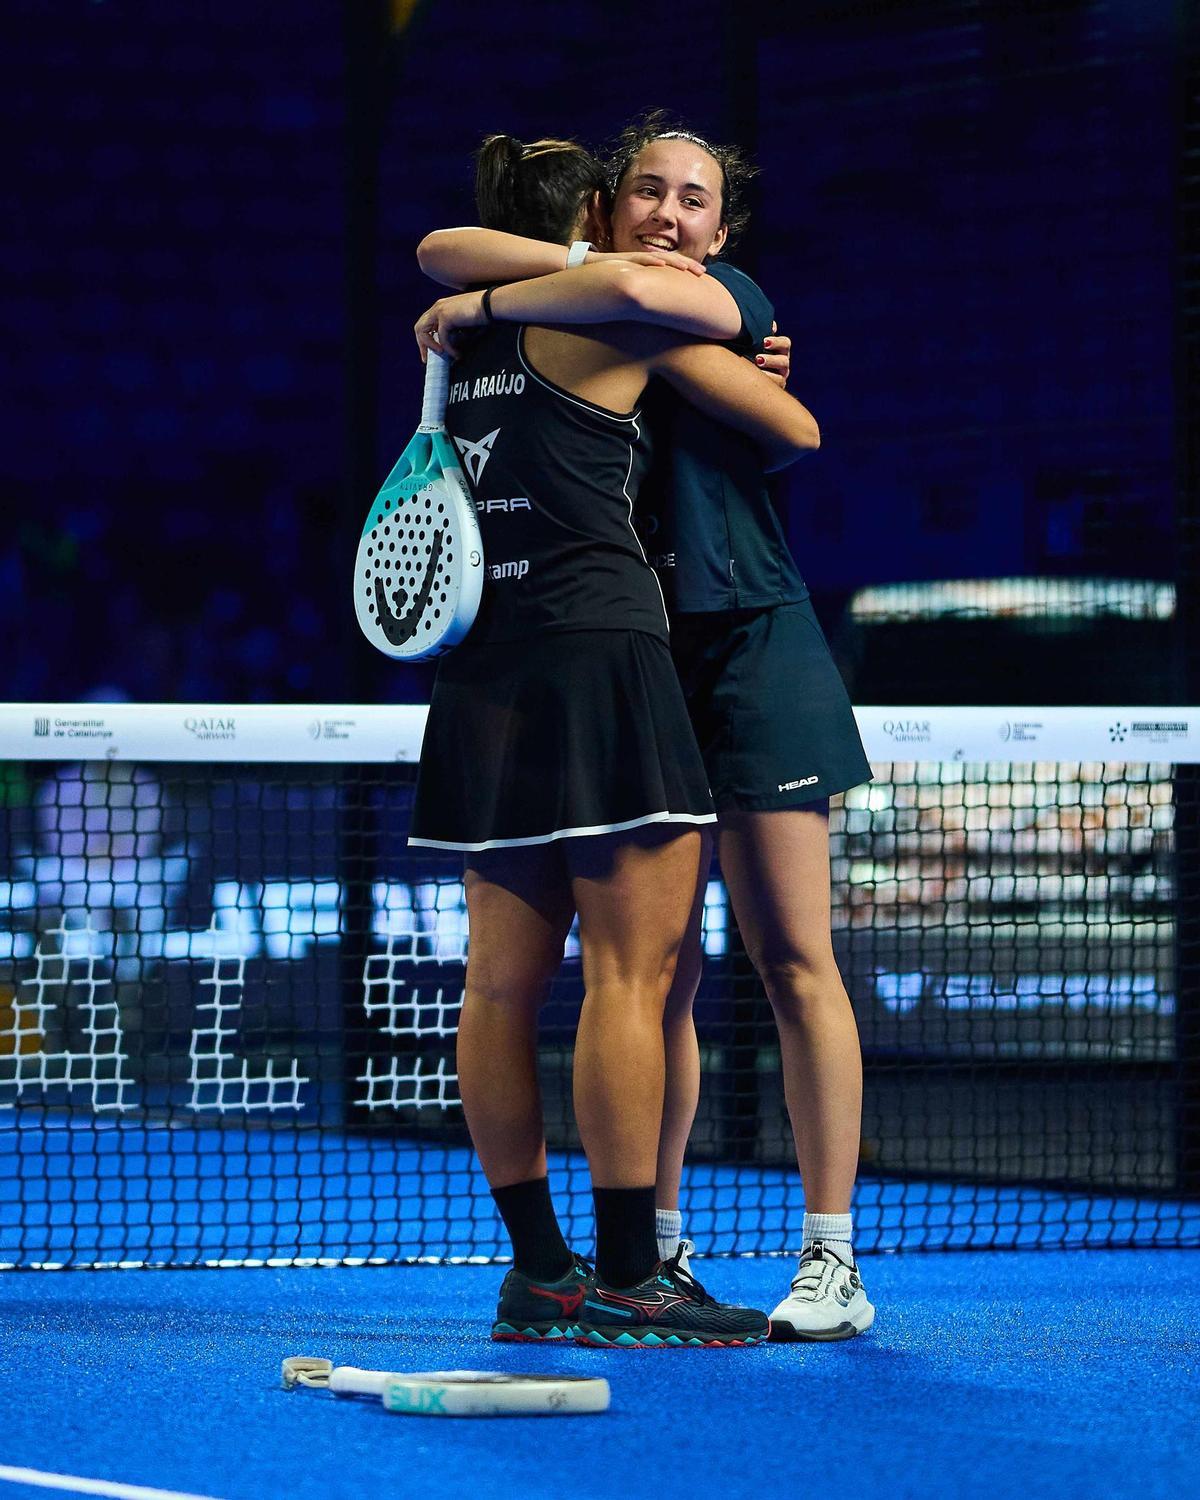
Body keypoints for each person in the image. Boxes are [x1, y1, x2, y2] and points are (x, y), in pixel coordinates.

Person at [416, 113, 876, 1340]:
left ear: (723, 231)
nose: (669, 216)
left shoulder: (693, 299)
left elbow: (796, 427)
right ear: (603, 210)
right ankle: (644, 1253)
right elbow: (457, 254)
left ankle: (818, 1256)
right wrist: (541, 294)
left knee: (783, 959)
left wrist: (484, 304)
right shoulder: (604, 309)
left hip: (734, 645)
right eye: (647, 194)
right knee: (648, 976)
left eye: (695, 200)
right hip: (624, 653)